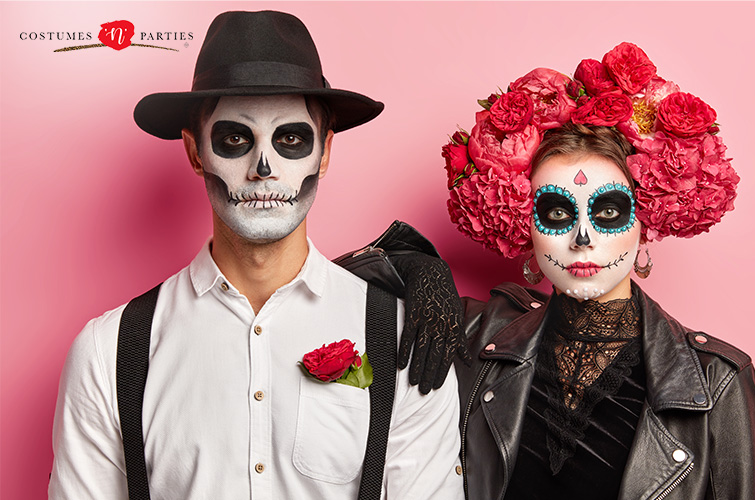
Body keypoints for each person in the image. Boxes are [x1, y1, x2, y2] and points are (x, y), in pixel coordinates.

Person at [48, 10, 464, 500]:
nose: (262, 168)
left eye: (290, 138)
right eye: (235, 139)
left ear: (324, 153)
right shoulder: (107, 353)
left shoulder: (406, 343)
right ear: (195, 151)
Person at [361, 42, 755, 499]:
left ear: (646, 220)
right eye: (555, 214)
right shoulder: (480, 334)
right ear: (523, 225)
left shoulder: (716, 378)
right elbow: (326, 284)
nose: (583, 238)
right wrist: (419, 265)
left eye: (609, 212)